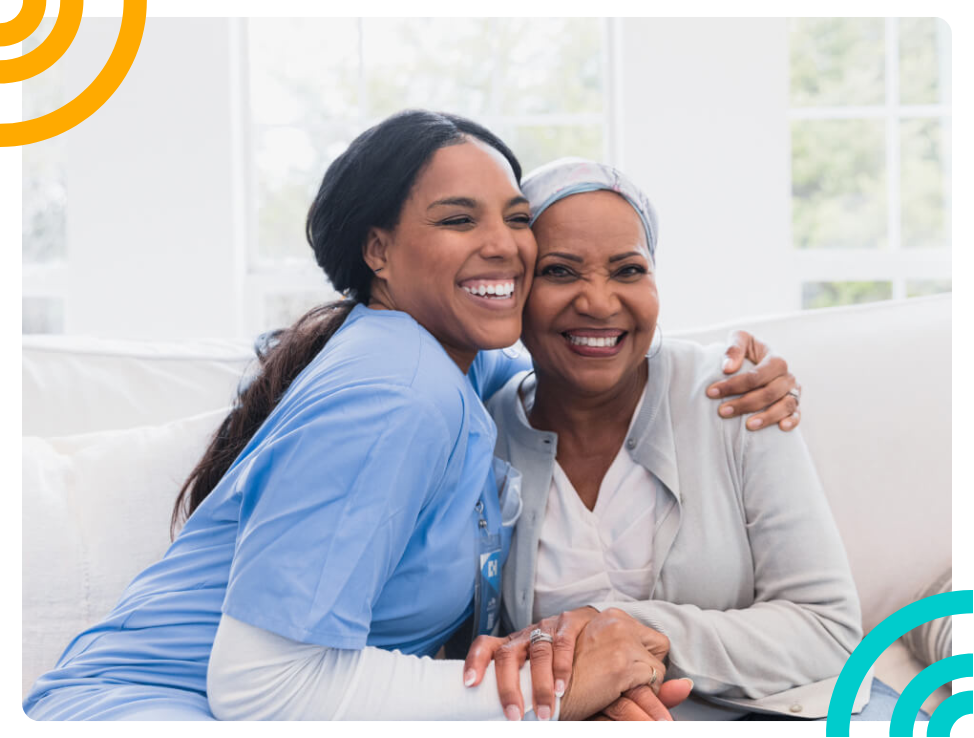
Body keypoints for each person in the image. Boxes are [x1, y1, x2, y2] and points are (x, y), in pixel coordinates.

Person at [25, 113, 799, 722]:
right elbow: (262, 687)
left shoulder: (449, 363)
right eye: (459, 220)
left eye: (516, 218)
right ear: (378, 251)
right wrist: (556, 694)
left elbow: (578, 350)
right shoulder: (397, 393)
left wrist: (721, 373)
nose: (504, 246)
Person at [463, 158, 912, 723]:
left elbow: (828, 630)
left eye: (628, 270)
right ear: (516, 287)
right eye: (560, 271)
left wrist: (632, 634)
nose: (600, 302)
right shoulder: (483, 434)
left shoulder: (734, 395)